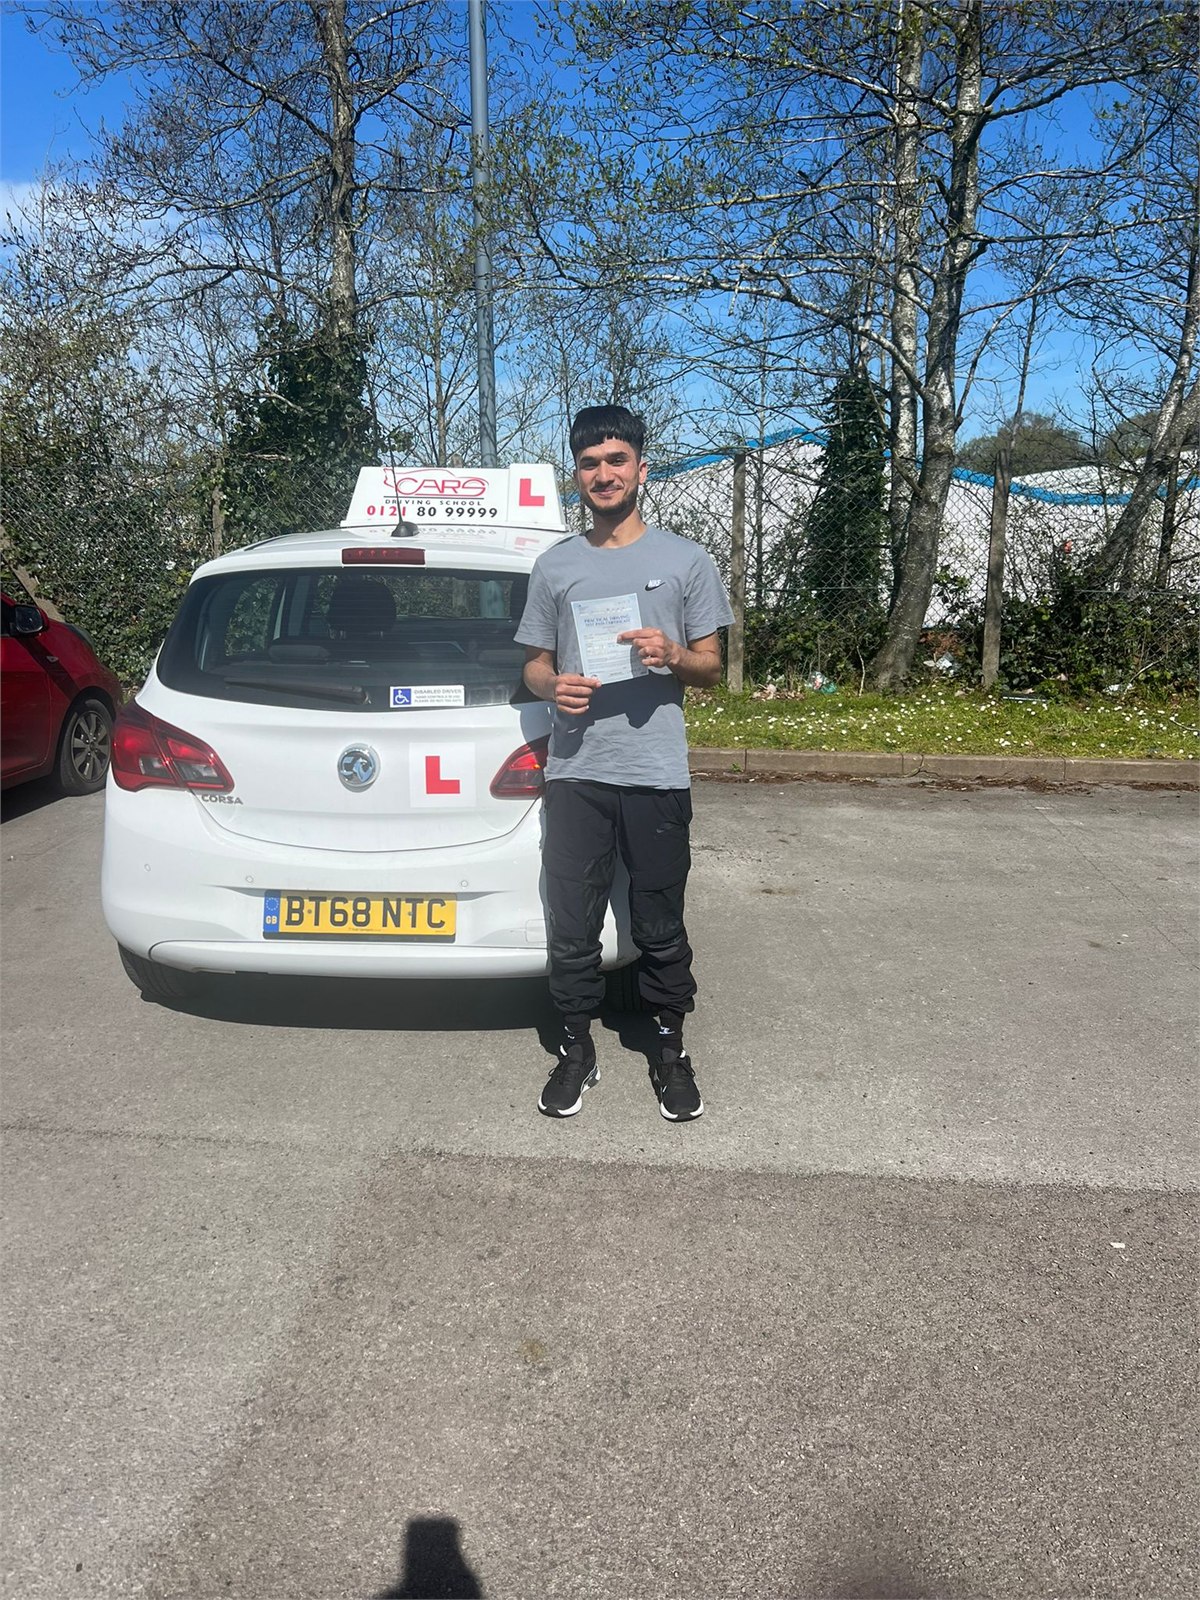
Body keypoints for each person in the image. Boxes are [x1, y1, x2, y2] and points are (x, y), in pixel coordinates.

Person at [515, 405, 734, 1122]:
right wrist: (554, 686)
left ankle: (670, 1049)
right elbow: (536, 668)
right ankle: (575, 1049)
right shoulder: (556, 566)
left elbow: (712, 668)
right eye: (589, 463)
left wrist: (673, 655)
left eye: (616, 460)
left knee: (659, 920)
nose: (603, 474)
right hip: (576, 769)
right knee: (571, 922)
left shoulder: (685, 560)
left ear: (642, 467)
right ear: (575, 474)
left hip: (655, 770)